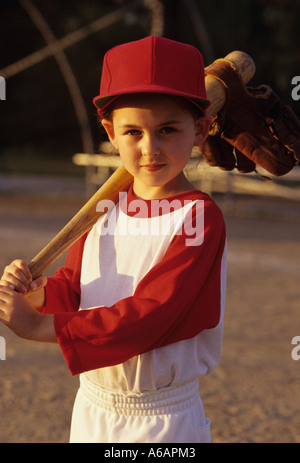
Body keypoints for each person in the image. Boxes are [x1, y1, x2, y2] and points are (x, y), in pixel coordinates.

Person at [0, 36, 227, 443]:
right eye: (133, 132)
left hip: (162, 420)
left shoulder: (199, 218)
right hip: (92, 408)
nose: (149, 148)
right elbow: (74, 289)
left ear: (201, 130)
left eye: (168, 130)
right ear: (110, 131)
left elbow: (151, 315)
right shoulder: (105, 209)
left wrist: (39, 326)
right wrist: (33, 295)